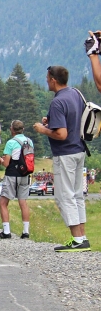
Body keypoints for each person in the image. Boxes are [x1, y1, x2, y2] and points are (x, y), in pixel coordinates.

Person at [33, 65, 90, 251]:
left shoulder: (57, 102)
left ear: (53, 80)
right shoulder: (75, 93)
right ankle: (82, 237)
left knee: (64, 196)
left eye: (47, 78)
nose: (46, 81)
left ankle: (77, 239)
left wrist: (43, 130)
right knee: (77, 195)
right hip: (80, 149)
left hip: (65, 153)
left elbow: (61, 134)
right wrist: (51, 122)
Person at [0, 120, 32, 239]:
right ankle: (25, 232)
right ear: (23, 129)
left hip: (12, 174)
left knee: (3, 202)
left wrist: (0, 161)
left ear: (12, 130)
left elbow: (6, 163)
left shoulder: (11, 143)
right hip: (25, 174)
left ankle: (6, 231)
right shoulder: (29, 141)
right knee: (23, 202)